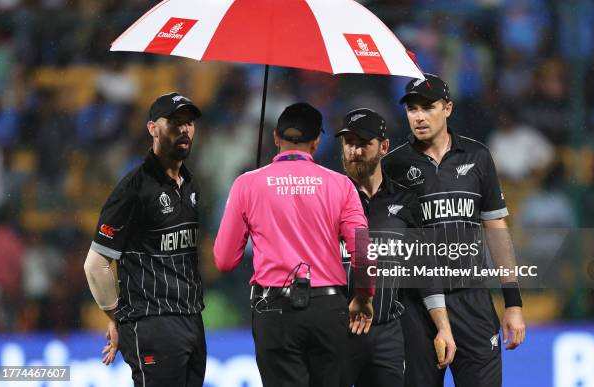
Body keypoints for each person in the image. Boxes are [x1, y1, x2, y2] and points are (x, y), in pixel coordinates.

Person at [213, 102, 375, 387]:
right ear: (317, 142)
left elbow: (224, 260)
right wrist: (364, 297)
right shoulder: (341, 185)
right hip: (327, 308)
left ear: (276, 137)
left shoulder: (247, 184)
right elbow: (362, 251)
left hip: (274, 310)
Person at [383, 74, 526, 387]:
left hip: (471, 299)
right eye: (411, 109)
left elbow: (495, 228)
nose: (418, 116)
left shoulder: (477, 157)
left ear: (447, 108)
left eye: (427, 107)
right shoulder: (393, 165)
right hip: (416, 305)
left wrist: (513, 303)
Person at [84, 92, 206, 387]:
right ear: (152, 128)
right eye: (175, 122)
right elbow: (96, 264)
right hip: (153, 323)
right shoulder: (133, 189)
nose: (184, 129)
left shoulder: (189, 184)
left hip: (192, 320)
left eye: (189, 123)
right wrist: (117, 317)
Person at [336, 108, 456, 387]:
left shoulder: (405, 201)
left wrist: (443, 327)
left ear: (384, 146)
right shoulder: (329, 198)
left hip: (387, 333)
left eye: (363, 142)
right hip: (337, 332)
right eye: (348, 142)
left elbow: (424, 270)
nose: (354, 150)